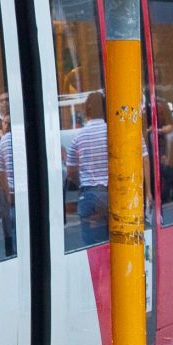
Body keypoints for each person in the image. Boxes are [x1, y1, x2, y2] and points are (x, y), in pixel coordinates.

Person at [67, 93, 109, 246]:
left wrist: (82, 184)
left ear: (87, 111)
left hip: (89, 195)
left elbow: (71, 171)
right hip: (113, 194)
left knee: (94, 249)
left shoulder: (78, 138)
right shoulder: (113, 132)